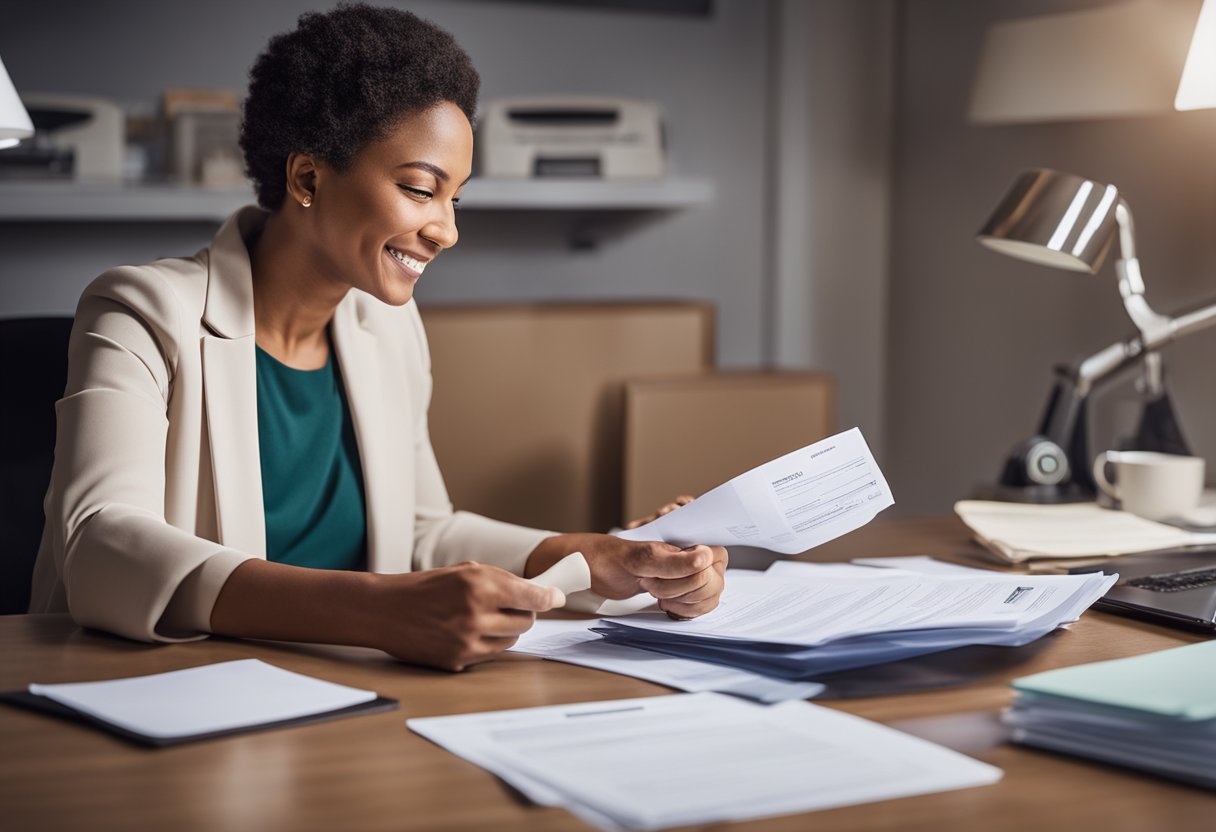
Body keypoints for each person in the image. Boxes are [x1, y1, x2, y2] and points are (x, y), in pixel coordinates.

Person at [28, 4, 726, 672]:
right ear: (307, 176)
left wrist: (592, 556)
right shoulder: (141, 312)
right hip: (168, 698)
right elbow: (99, 546)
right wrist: (375, 612)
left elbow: (422, 534)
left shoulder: (386, 326)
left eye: (456, 197)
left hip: (343, 691)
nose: (447, 230)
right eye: (421, 189)